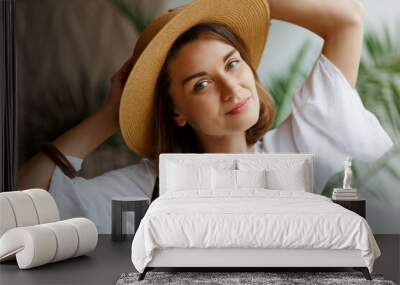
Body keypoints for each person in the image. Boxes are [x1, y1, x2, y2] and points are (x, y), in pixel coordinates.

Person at [16, 0, 394, 234]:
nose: (231, 89)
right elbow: (23, 202)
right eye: (201, 84)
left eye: (232, 63)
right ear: (176, 111)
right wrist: (110, 115)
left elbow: (347, 18)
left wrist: (246, 3)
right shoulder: (144, 188)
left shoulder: (293, 154)